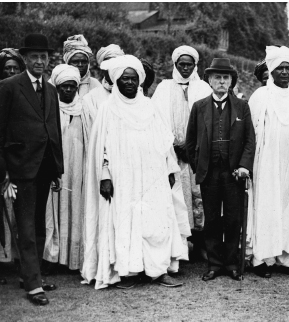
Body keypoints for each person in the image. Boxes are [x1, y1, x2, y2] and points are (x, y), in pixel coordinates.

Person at [81, 55, 190, 290]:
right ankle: (128, 272)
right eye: (124, 79)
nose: (129, 83)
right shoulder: (108, 109)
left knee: (156, 221)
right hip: (123, 178)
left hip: (153, 176)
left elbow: (164, 142)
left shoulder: (150, 106)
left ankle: (158, 270)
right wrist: (105, 176)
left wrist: (170, 169)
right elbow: (103, 149)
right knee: (125, 222)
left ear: (140, 81)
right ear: (116, 81)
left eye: (133, 79)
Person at [0, 34, 63, 305]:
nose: (40, 61)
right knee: (25, 227)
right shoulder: (8, 87)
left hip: (45, 168)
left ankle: (30, 275)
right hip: (20, 169)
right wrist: (4, 175)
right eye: (34, 57)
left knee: (38, 226)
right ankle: (34, 286)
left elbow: (54, 130)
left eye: (44, 57)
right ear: (25, 59)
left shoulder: (50, 89)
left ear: (49, 60)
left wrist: (57, 169)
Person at [185, 58, 255, 281]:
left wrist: (244, 166)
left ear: (232, 81)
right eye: (217, 78)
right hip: (210, 173)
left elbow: (249, 141)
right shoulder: (199, 107)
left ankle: (232, 263)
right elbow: (190, 142)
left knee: (234, 218)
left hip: (234, 173)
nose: (222, 82)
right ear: (209, 81)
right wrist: (200, 167)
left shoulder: (242, 107)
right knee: (212, 219)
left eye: (226, 78)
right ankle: (214, 264)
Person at [248, 46, 289, 278]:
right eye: (280, 68)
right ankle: (263, 259)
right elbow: (252, 132)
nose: (284, 72)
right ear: (271, 71)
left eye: (288, 68)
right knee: (268, 206)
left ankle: (288, 259)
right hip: (266, 163)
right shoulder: (260, 96)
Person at [152, 46, 212, 256]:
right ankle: (181, 246)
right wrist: (174, 146)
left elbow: (210, 121)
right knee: (178, 197)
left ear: (196, 66)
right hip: (174, 154)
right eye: (181, 64)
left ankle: (202, 243)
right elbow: (157, 120)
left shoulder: (204, 88)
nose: (185, 68)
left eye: (190, 64)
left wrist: (193, 146)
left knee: (200, 196)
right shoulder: (164, 88)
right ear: (175, 65)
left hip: (197, 153)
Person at [43, 64, 88, 271]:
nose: (68, 90)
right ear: (56, 87)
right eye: (63, 87)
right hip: (55, 168)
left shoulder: (85, 110)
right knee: (53, 209)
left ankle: (73, 259)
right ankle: (53, 258)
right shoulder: (48, 108)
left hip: (78, 168)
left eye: (72, 86)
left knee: (76, 208)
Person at [0, 47, 26, 285]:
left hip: (16, 161)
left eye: (14, 69)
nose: (10, 72)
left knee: (16, 215)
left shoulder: (24, 94)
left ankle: (19, 261)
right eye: (6, 69)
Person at [81, 44, 125, 132]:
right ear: (102, 67)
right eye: (107, 65)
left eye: (115, 64)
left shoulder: (132, 95)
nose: (111, 69)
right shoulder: (91, 98)